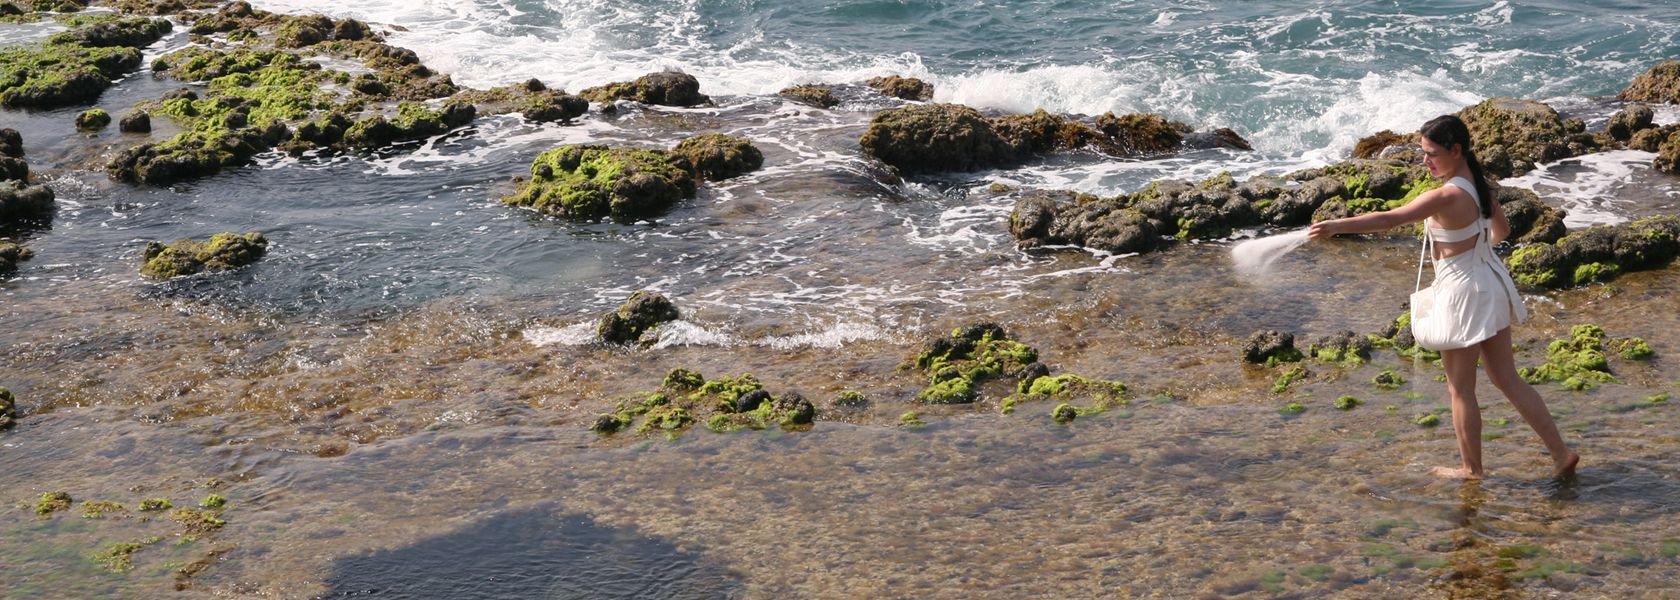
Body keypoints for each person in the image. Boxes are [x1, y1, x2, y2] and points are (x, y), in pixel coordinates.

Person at [1306, 114, 1579, 480]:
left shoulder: (1446, 195)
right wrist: (1473, 255)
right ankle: (1561, 453)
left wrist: (1337, 226)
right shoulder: (1481, 185)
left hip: (1463, 293)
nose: (1425, 160)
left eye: (1431, 153)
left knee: (1460, 389)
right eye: (1423, 153)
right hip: (1490, 282)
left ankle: (1471, 470)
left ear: (1456, 149)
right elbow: (1502, 230)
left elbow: (1390, 220)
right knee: (1508, 379)